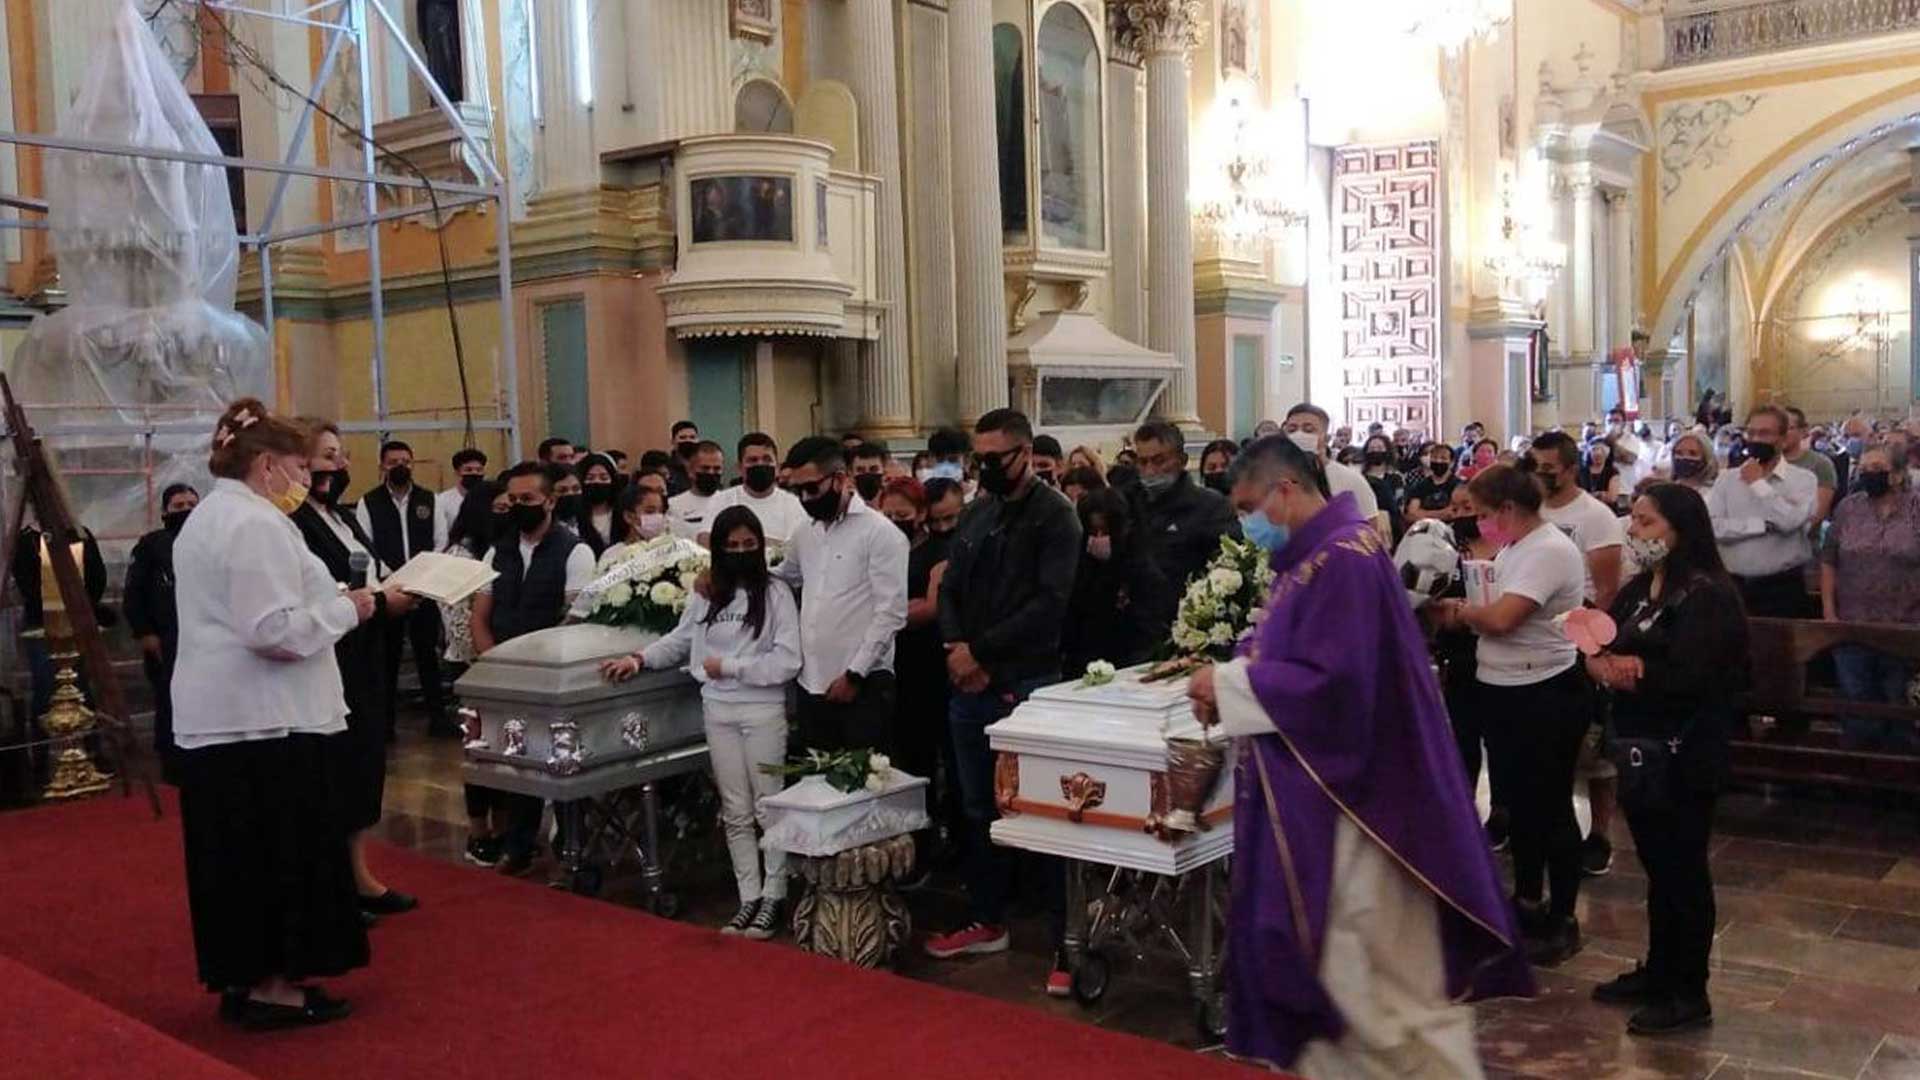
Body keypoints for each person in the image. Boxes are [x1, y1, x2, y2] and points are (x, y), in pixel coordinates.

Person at [1188, 434, 1532, 1075]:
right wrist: (1234, 672)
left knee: (1373, 984)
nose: (1247, 523)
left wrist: (1229, 685)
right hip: (1330, 793)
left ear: (1285, 490)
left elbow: (1339, 686)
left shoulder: (1343, 558)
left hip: (1360, 809)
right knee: (1346, 987)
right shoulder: (1312, 556)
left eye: (1247, 508)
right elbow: (1286, 649)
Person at [171, 398, 390, 1029]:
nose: (304, 479)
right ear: (265, 464)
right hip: (264, 721)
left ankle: (247, 977)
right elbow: (272, 629)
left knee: (239, 861)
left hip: (232, 718)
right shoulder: (254, 523)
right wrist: (353, 609)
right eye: (298, 467)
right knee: (277, 857)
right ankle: (275, 987)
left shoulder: (215, 516)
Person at [925, 408, 1082, 996]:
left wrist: (982, 654)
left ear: (1024, 453)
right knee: (977, 808)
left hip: (1026, 679)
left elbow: (1049, 605)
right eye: (980, 459)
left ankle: (1067, 941)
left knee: (1044, 813)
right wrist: (955, 647)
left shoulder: (1056, 516)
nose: (986, 468)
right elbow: (949, 587)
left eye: (996, 459)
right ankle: (988, 918)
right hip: (968, 679)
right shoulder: (978, 511)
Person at [1588, 483, 1748, 1037]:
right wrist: (1604, 662)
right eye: (1633, 520)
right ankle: (1659, 970)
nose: (1634, 531)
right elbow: (1604, 641)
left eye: (1647, 522)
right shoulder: (1641, 587)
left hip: (1686, 751)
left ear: (1682, 529)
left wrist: (1636, 672)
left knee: (1683, 870)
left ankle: (1688, 991)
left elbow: (1695, 675)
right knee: (1657, 867)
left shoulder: (1708, 594)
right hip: (1641, 749)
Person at [603, 506, 800, 939]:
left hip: (761, 708)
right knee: (735, 809)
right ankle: (748, 897)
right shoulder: (708, 592)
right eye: (733, 546)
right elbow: (681, 639)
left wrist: (730, 667)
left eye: (750, 545)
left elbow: (787, 660)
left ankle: (775, 894)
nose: (741, 552)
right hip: (718, 709)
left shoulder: (776, 593)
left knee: (768, 804)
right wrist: (638, 658)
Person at [1432, 464, 1593, 965]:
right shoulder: (1516, 546)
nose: (1478, 522)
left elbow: (1503, 617)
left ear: (1507, 509)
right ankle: (1526, 901)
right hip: (1505, 689)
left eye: (1482, 513)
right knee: (1519, 806)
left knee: (1550, 805)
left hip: (1544, 693)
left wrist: (1461, 613)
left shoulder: (1547, 549)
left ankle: (1563, 917)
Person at [292, 418, 417, 919]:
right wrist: (382, 601)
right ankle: (334, 885)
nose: (340, 464)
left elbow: (370, 571)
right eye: (328, 455)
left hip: (366, 654)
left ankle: (359, 874)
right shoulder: (295, 521)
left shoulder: (343, 517)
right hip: (333, 655)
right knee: (335, 771)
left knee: (364, 764)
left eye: (342, 455)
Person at [470, 462, 597, 877]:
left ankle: (571, 851)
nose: (519, 506)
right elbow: (480, 615)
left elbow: (574, 619)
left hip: (553, 675)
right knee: (517, 761)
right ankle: (519, 846)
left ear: (550, 501)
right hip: (504, 672)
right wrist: (493, 662)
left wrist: (538, 665)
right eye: (513, 500)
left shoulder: (575, 551)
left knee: (561, 764)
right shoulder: (498, 550)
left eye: (528, 499)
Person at [771, 437, 909, 752]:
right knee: (815, 776)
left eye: (811, 488)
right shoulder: (805, 531)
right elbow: (785, 576)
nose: (805, 498)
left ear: (840, 479)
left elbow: (891, 613)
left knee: (864, 778)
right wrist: (733, 574)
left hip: (863, 683)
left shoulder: (880, 533)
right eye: (797, 490)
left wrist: (855, 674)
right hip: (811, 682)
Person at [1820, 446, 1920, 752]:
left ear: (1898, 474)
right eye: (1863, 468)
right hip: (1852, 622)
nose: (1868, 474)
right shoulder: (1849, 508)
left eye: (1876, 467)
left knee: (1898, 703)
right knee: (1857, 701)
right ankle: (1858, 765)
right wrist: (1829, 612)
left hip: (1904, 623)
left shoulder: (1916, 508)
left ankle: (1899, 767)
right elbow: (1829, 559)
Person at [879, 477, 954, 878]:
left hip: (926, 665)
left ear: (921, 514)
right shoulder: (878, 549)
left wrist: (884, 614)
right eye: (888, 514)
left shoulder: (937, 552)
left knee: (926, 757)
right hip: (890, 664)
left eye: (903, 515)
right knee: (900, 759)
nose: (895, 521)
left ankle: (931, 849)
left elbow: (930, 607)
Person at [356, 439, 452, 736]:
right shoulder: (369, 502)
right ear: (382, 466)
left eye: (405, 462)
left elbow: (440, 542)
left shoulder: (429, 499)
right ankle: (385, 724)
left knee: (428, 656)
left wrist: (423, 579)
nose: (400, 466)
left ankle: (438, 719)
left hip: (424, 591)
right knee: (388, 658)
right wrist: (392, 578)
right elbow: (365, 544)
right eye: (393, 462)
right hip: (389, 590)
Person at [1433, 482, 1509, 850]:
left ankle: (1502, 812)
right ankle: (1462, 813)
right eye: (1456, 507)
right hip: (1460, 654)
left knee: (1501, 739)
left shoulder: (1510, 549)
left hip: (1503, 655)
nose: (1462, 515)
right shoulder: (1446, 551)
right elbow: (1431, 601)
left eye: (1470, 508)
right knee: (1463, 737)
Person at [441, 480, 507, 865]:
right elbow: (457, 620)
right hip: (471, 663)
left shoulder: (503, 549)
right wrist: (485, 657)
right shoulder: (459, 554)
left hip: (501, 660)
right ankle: (479, 831)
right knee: (479, 752)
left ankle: (506, 827)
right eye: (499, 509)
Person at [1706, 406, 1817, 618]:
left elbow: (1790, 521)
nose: (1756, 439)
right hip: (1734, 585)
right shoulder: (1727, 479)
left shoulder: (1802, 480)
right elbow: (1714, 527)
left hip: (1782, 588)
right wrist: (1762, 525)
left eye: (1765, 433)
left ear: (1782, 440)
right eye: (1751, 432)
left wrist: (1758, 484)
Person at [126, 484, 197, 785]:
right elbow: (134, 592)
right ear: (166, 511)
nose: (186, 510)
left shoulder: (207, 540)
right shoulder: (151, 545)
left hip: (201, 639)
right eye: (179, 505)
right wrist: (144, 632)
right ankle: (172, 763)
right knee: (169, 700)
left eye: (192, 504)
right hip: (166, 639)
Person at [1062, 487, 1173, 675]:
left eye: (1105, 531)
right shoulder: (1079, 567)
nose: (1099, 538)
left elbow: (1150, 626)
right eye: (1093, 531)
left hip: (1129, 662)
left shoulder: (1142, 570)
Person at [1128, 419, 1239, 592]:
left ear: (1182, 460)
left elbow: (1228, 571)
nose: (1150, 470)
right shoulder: (1129, 504)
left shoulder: (1211, 508)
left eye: (1159, 461)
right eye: (1143, 462)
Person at [1282, 404, 1389, 540]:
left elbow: (1369, 532)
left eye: (1308, 430)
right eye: (1292, 430)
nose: (1299, 435)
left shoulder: (1351, 480)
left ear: (1326, 438)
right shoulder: (1273, 476)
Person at [1783, 407, 1838, 529]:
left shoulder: (1820, 465)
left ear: (1803, 431)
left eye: (1788, 428)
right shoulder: (1762, 463)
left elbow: (1816, 515)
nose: (1782, 433)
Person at [596, 486, 671, 572]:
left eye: (661, 511)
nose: (658, 516)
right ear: (629, 517)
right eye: (650, 511)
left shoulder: (670, 550)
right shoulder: (612, 556)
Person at [573, 452, 628, 558]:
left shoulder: (624, 512)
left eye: (604, 478)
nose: (597, 482)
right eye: (590, 478)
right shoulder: (574, 514)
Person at [668, 440, 727, 540]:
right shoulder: (673, 505)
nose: (711, 473)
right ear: (690, 470)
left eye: (717, 469)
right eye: (705, 468)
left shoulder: (731, 502)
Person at [435, 447, 489, 540]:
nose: (474, 473)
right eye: (468, 470)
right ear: (457, 472)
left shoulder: (491, 499)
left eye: (479, 470)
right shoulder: (442, 501)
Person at [1359, 433, 1406, 539]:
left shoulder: (1396, 478)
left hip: (1390, 527)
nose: (1376, 451)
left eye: (1380, 448)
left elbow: (1400, 505)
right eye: (1372, 448)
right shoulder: (1360, 477)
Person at [1404, 442, 1461, 525]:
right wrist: (1441, 513)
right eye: (1434, 457)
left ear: (1451, 463)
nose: (1438, 461)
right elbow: (1411, 514)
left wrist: (1421, 513)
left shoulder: (1458, 485)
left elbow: (1452, 513)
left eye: (1443, 458)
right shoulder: (1420, 486)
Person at [1579, 439, 1627, 508]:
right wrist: (1600, 494)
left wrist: (1589, 496)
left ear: (1606, 455)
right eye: (1595, 454)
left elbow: (1612, 498)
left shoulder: (1612, 471)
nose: (1597, 457)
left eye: (1601, 454)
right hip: (1585, 508)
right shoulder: (1582, 471)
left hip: (1606, 509)